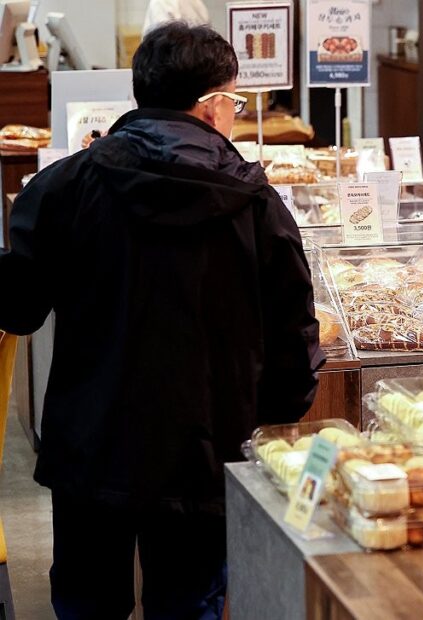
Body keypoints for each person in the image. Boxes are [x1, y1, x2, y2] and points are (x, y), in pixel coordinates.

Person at [0, 22, 323, 619]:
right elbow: (295, 338)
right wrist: (264, 423)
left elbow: (18, 308)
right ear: (212, 105)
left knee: (86, 602)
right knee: (190, 602)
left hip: (91, 448)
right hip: (204, 455)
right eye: (234, 100)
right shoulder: (257, 206)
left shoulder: (66, 186)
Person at [143, 0, 209, 35]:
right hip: (193, 56)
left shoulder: (161, 2)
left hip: (175, 57)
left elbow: (163, 43)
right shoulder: (198, 3)